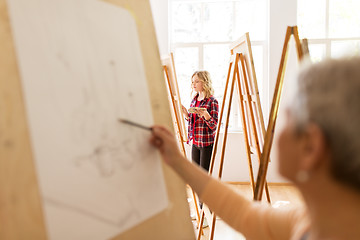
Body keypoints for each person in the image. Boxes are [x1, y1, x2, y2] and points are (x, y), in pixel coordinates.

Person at [150, 57, 360, 240]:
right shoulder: (306, 222)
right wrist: (177, 159)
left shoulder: (304, 224)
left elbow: (245, 214)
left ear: (311, 146)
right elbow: (243, 212)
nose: (272, 134)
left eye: (286, 119)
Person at [181, 71, 219, 173]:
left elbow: (214, 126)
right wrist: (186, 115)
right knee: (195, 174)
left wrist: (206, 115)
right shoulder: (194, 99)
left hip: (206, 143)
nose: (193, 84)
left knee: (203, 175)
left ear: (205, 82)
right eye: (192, 82)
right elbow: (193, 121)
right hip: (195, 142)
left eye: (196, 81)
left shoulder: (212, 101)